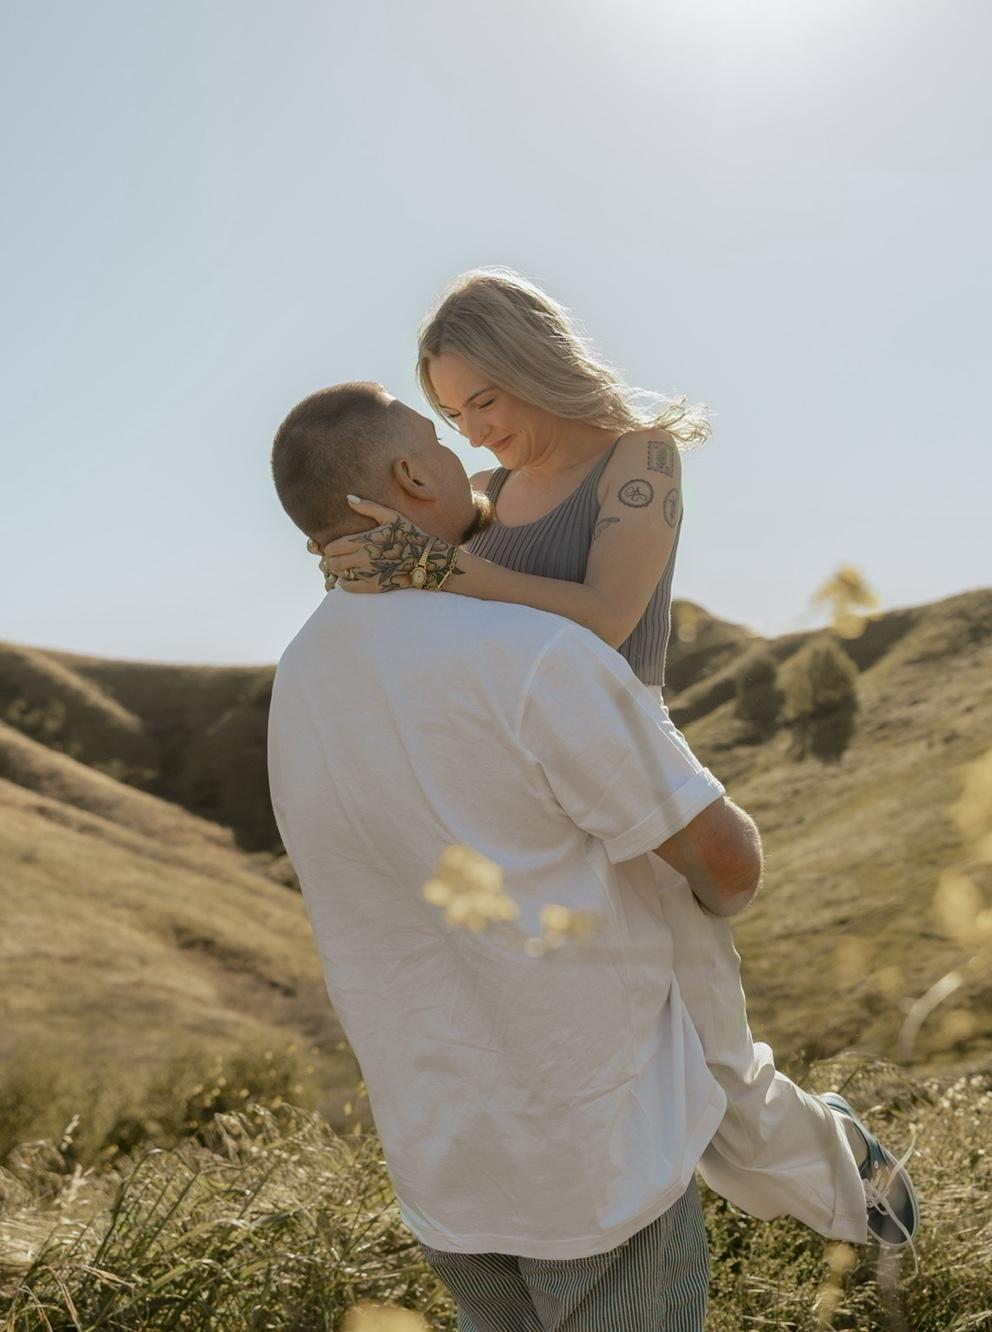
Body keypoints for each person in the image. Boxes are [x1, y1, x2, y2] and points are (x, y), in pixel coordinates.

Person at [273, 384, 916, 1328]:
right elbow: (727, 865)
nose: (465, 456)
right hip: (592, 1158)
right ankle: (859, 1189)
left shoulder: (297, 680)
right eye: (440, 442)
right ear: (411, 474)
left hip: (443, 1167)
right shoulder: (532, 653)